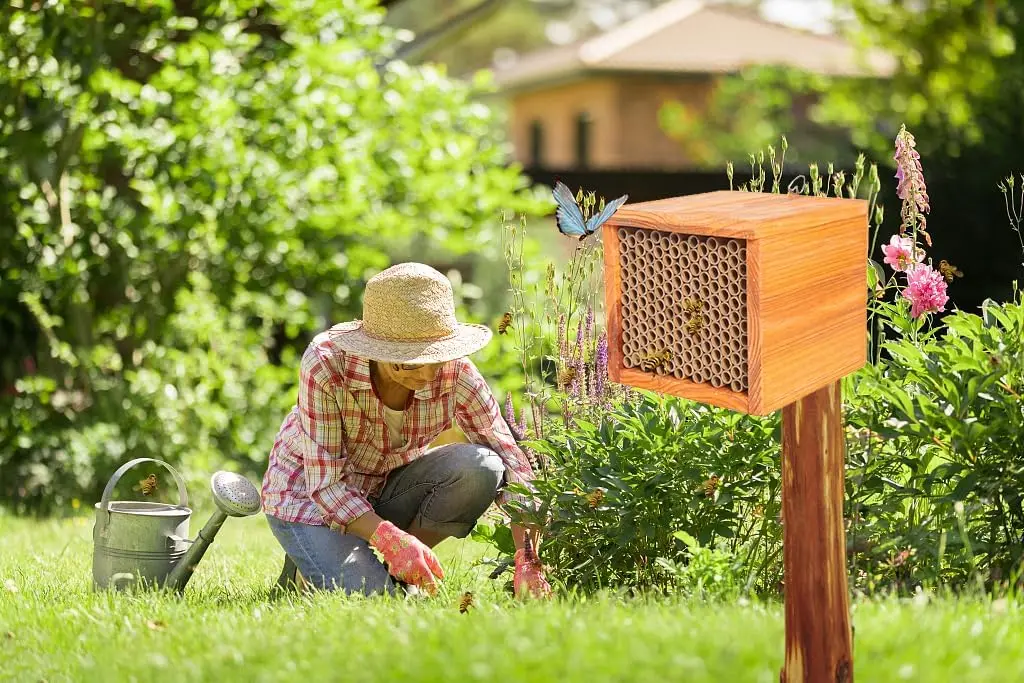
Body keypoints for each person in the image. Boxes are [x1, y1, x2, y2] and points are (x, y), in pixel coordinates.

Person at [260, 262, 551, 598]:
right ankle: (313, 560)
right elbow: (326, 486)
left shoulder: (457, 373)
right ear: (376, 349)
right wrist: (391, 541)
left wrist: (528, 558)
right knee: (375, 600)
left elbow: (511, 461)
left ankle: (398, 572)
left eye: (436, 358)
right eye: (410, 362)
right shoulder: (327, 364)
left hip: (382, 489)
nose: (427, 375)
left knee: (482, 467)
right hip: (308, 499)